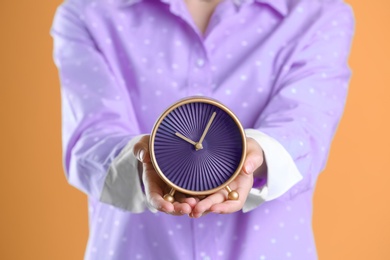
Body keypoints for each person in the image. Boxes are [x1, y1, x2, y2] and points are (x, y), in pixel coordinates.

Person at [50, 0, 354, 259]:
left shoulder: (317, 13)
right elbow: (90, 140)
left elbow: (305, 126)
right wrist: (141, 162)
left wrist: (255, 157)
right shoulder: (90, 13)